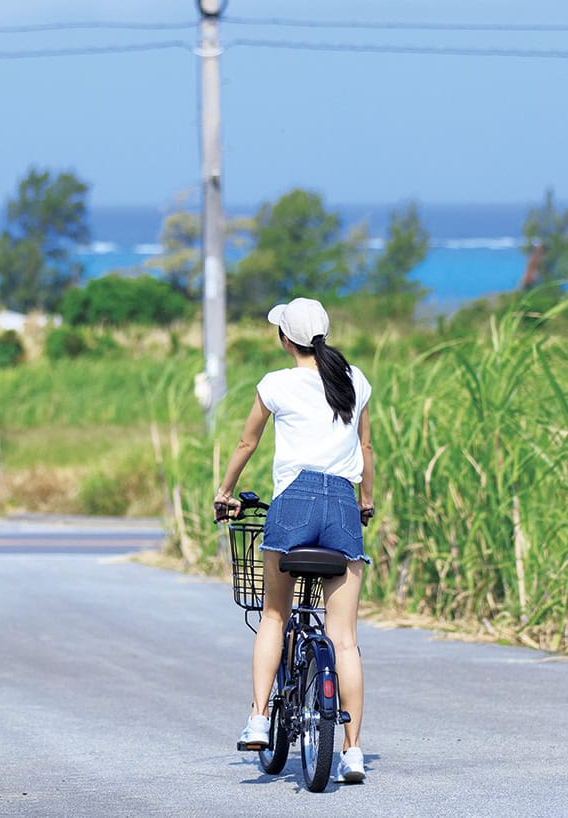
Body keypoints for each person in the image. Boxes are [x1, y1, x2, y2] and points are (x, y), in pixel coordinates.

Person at [214, 297, 374, 785]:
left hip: (294, 502)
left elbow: (247, 443)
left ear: (285, 339)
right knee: (344, 638)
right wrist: (365, 502)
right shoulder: (355, 380)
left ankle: (260, 718)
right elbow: (365, 449)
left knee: (274, 617)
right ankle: (352, 752)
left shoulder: (275, 384)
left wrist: (225, 492)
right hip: (343, 504)